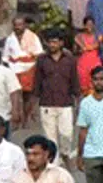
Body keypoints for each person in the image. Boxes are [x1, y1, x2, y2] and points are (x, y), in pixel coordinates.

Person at [35, 30, 82, 165]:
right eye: (50, 42)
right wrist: (33, 105)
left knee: (66, 134)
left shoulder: (70, 60)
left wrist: (78, 102)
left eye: (55, 42)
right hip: (46, 103)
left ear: (61, 43)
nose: (52, 45)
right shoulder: (42, 60)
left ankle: (65, 153)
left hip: (65, 103)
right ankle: (53, 166)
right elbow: (37, 82)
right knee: (50, 138)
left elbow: (75, 82)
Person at [3, 17, 45, 123]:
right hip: (13, 69)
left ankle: (26, 117)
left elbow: (39, 54)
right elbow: (5, 57)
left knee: (28, 95)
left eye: (20, 25)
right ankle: (16, 116)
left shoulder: (33, 37)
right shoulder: (10, 39)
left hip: (29, 68)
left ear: (25, 25)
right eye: (15, 25)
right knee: (15, 94)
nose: (18, 27)